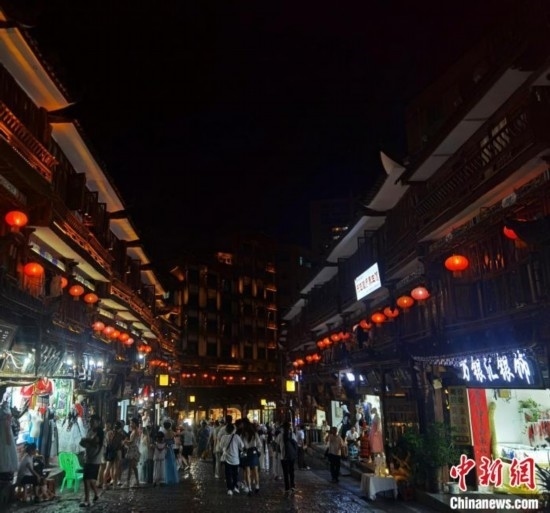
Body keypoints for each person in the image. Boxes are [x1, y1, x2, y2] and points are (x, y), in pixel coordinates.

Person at [79, 414, 104, 507]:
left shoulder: (100, 432)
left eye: (92, 421)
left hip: (95, 458)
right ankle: (96, 495)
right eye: (90, 421)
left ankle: (87, 500)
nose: (91, 423)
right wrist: (85, 441)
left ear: (98, 422)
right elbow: (85, 443)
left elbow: (95, 441)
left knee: (86, 479)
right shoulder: (89, 430)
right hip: (88, 457)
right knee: (91, 480)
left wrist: (86, 439)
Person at [219, 415, 244, 496]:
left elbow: (221, 446)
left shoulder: (223, 437)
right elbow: (242, 446)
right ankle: (235, 486)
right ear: (234, 430)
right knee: (235, 474)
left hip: (227, 458)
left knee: (228, 474)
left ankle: (229, 489)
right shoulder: (236, 437)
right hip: (235, 459)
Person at [275, 420, 297, 495]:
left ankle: (287, 488)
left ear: (283, 428)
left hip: (283, 456)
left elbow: (277, 445)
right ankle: (292, 486)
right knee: (291, 471)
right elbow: (295, 444)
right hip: (291, 456)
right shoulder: (292, 435)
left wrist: (276, 454)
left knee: (285, 473)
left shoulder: (280, 435)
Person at [241, 418, 262, 495]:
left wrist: (243, 451)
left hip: (247, 452)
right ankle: (257, 486)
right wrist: (258, 451)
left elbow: (241, 445)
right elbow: (259, 444)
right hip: (254, 452)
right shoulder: (254, 433)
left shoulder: (243, 434)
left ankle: (249, 488)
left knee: (247, 471)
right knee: (255, 471)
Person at [102, 420, 125, 489]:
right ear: (120, 428)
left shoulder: (109, 433)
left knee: (107, 468)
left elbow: (106, 443)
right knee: (115, 469)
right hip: (117, 452)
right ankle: (114, 485)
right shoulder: (120, 435)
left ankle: (104, 484)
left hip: (109, 452)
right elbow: (121, 445)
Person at [122, 418, 141, 488]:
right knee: (133, 467)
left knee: (131, 466)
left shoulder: (135, 431)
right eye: (130, 423)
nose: (130, 424)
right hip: (132, 449)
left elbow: (132, 442)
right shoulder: (134, 431)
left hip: (133, 450)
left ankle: (128, 482)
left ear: (135, 424)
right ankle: (137, 481)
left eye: (132, 423)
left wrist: (125, 442)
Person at [161, 420, 179, 484]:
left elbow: (163, 441)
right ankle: (172, 477)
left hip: (166, 448)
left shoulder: (164, 433)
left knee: (166, 463)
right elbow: (173, 442)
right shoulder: (172, 433)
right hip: (171, 449)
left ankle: (167, 478)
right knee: (172, 463)